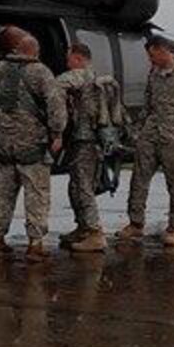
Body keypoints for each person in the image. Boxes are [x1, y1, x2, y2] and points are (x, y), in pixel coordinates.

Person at [0, 28, 67, 258]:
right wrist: (57, 133)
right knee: (37, 194)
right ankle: (35, 244)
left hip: (3, 144)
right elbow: (55, 104)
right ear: (33, 51)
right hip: (32, 145)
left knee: (2, 193)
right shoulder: (40, 72)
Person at [119, 34, 174, 248]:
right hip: (150, 134)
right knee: (139, 179)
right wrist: (137, 130)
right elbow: (148, 104)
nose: (150, 61)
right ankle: (136, 223)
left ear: (162, 50)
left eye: (152, 56)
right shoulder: (153, 74)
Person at [56, 41, 125, 253]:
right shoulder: (97, 78)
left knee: (83, 186)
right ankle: (83, 227)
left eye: (69, 59)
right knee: (77, 185)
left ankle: (95, 233)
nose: (67, 63)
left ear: (78, 58)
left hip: (84, 142)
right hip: (95, 142)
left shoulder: (77, 76)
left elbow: (53, 88)